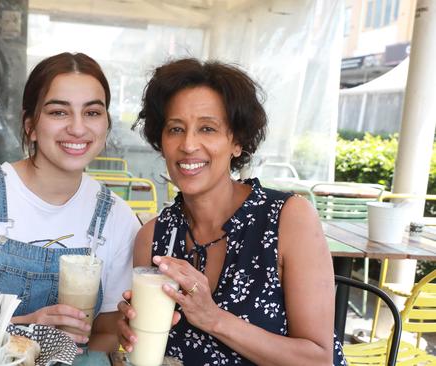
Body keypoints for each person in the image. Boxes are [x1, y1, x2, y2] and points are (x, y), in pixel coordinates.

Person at [117, 58, 346, 365]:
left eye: (207, 129)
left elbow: (318, 360)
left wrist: (213, 318)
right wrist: (132, 332)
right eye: (175, 129)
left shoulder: (288, 219)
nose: (188, 145)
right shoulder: (154, 237)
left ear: (237, 141)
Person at [0, 52, 140, 352]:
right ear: (30, 124)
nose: (77, 128)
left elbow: (107, 335)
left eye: (92, 112)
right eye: (58, 112)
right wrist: (24, 329)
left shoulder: (116, 218)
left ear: (106, 124)